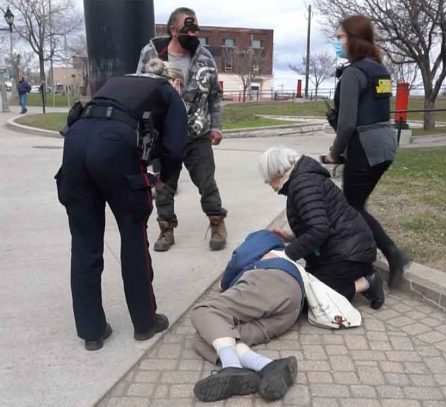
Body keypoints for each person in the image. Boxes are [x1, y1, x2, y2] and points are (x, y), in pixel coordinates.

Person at [55, 59, 188, 350]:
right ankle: (145, 322)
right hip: (114, 147)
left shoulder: (117, 82)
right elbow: (177, 146)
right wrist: (165, 178)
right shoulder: (168, 91)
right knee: (133, 235)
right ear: (174, 80)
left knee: (84, 243)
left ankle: (92, 331)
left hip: (75, 145)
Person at [324, 15, 410, 288]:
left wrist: (334, 154)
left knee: (352, 205)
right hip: (386, 144)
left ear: (353, 39)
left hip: (364, 147)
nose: (337, 42)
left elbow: (348, 123)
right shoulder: (378, 69)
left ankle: (392, 253)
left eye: (340, 37)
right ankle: (365, 247)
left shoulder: (353, 73)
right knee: (358, 204)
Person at [136, 6, 228, 252]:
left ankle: (217, 223)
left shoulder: (205, 57)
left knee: (206, 182)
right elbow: (139, 90)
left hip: (198, 134)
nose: (193, 34)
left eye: (196, 28)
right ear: (173, 29)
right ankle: (166, 230)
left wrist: (216, 127)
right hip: (164, 135)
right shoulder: (152, 54)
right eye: (188, 28)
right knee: (164, 185)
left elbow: (215, 97)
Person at [259, 147, 385, 309]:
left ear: (277, 171)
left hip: (350, 255)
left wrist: (284, 254)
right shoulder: (304, 180)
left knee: (308, 298)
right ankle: (359, 273)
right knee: (303, 288)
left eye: (267, 177)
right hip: (345, 250)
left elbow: (319, 230)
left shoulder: (303, 184)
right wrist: (291, 237)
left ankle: (368, 282)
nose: (267, 182)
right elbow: (320, 223)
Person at [191, 229, 302, 402]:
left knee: (204, 311)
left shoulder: (263, 237)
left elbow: (239, 260)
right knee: (204, 337)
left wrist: (225, 282)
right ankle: (268, 366)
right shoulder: (282, 253)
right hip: (290, 310)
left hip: (272, 282)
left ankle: (231, 366)